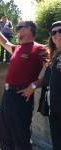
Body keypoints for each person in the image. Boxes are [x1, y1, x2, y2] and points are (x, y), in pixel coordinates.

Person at [0, 18, 49, 150]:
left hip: (22, 96)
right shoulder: (17, 48)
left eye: (18, 28)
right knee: (4, 134)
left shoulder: (39, 49)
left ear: (28, 29)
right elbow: (4, 42)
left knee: (21, 137)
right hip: (7, 95)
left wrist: (33, 86)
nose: (16, 31)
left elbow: (52, 72)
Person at [46, 21, 61, 150]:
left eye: (60, 31)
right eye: (54, 32)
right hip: (54, 107)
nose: (57, 34)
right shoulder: (55, 55)